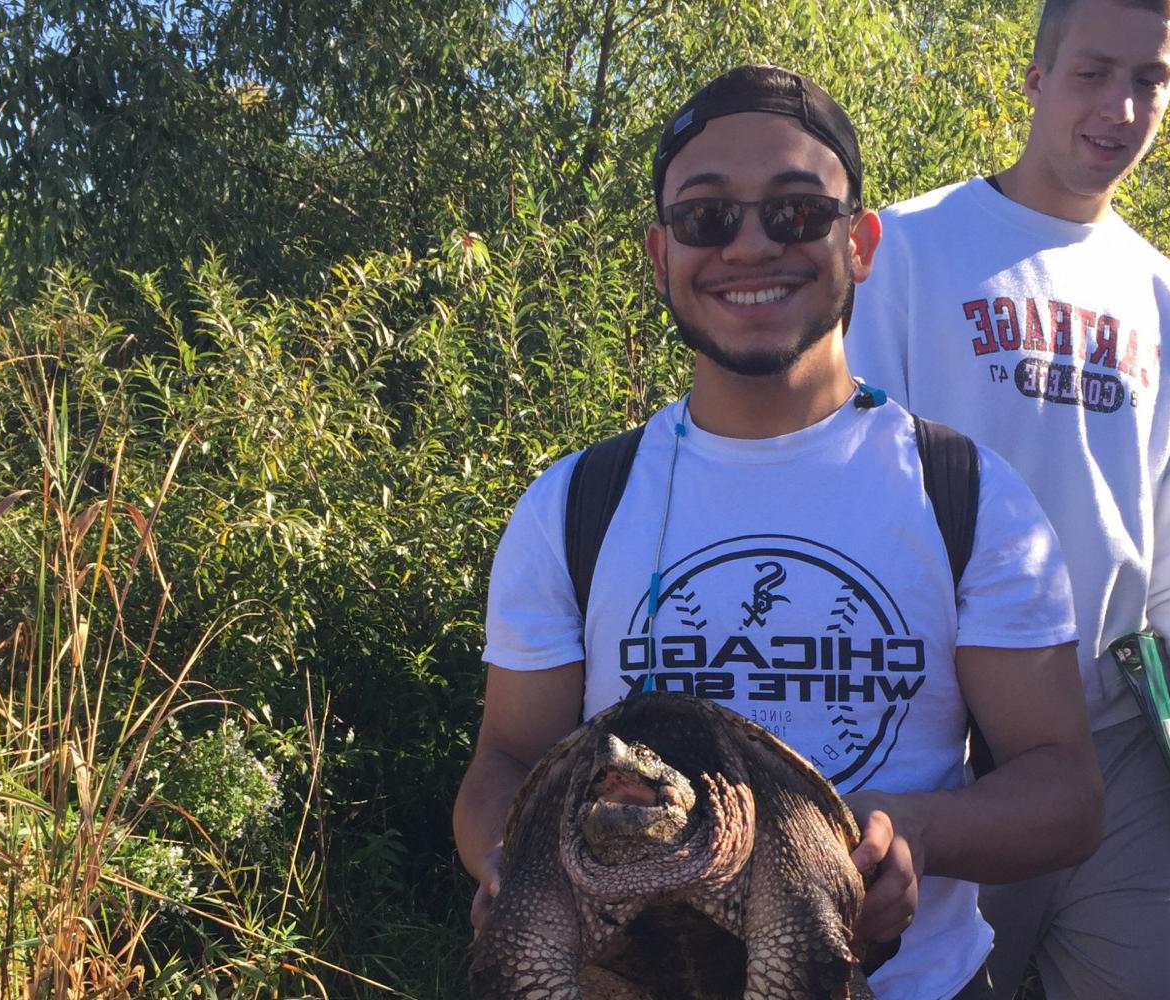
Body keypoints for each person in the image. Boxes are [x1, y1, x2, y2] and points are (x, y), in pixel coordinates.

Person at [453, 64, 1104, 999]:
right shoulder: (574, 504)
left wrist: (903, 831)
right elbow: (505, 764)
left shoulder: (968, 496)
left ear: (862, 242)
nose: (750, 246)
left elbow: (1067, 795)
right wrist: (514, 869)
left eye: (797, 213)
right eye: (707, 218)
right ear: (660, 254)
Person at [844, 1, 1170, 997]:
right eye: (1092, 71)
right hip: (948, 749)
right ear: (1034, 77)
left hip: (1124, 740)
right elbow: (856, 497)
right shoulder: (906, 250)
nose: (1120, 106)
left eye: (1151, 78)